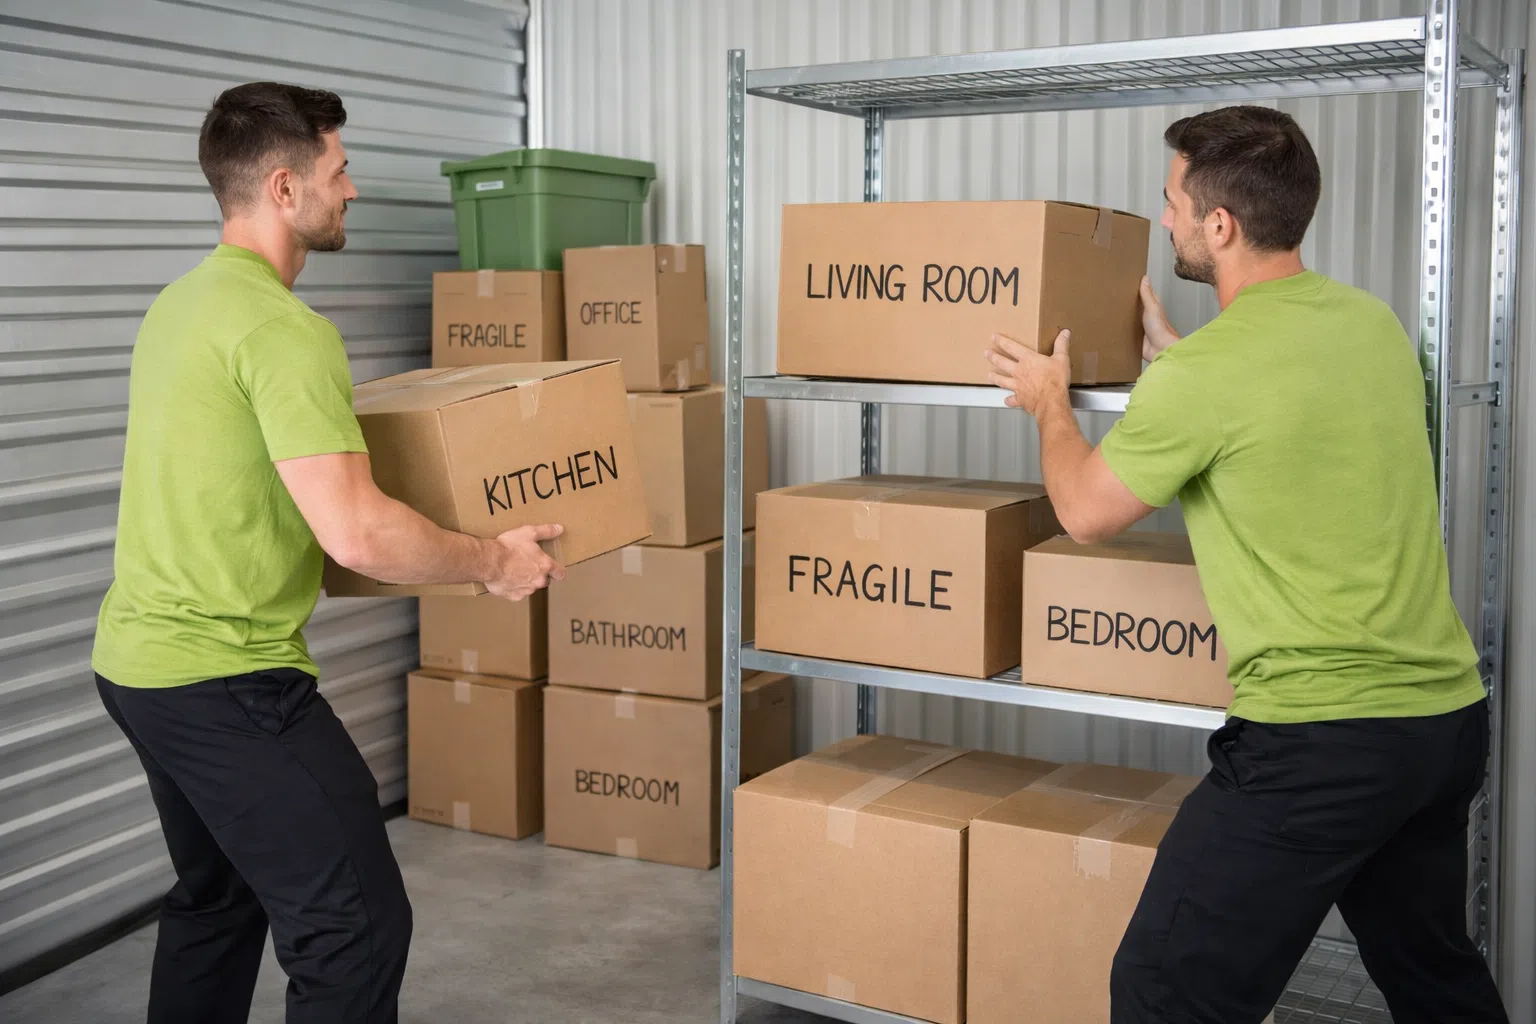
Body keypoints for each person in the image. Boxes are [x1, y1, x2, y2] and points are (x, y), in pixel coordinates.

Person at [986, 105, 1508, 1024]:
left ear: (1218, 226)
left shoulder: (1208, 379)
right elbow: (1294, 428)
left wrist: (1048, 404)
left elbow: (1084, 513)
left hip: (1321, 741)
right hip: (1441, 723)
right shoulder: (1373, 326)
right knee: (1435, 984)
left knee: (1163, 993)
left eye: (1174, 205)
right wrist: (1184, 363)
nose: (1170, 224)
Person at [90, 82, 564, 1024]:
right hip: (226, 677)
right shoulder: (283, 331)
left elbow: (249, 504)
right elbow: (354, 531)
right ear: (282, 186)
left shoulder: (178, 309)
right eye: (338, 171)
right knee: (357, 934)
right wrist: (490, 561)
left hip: (137, 667)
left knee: (216, 903)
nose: (352, 191)